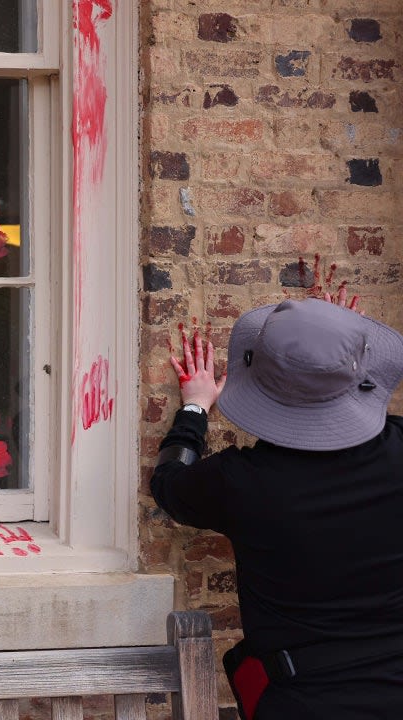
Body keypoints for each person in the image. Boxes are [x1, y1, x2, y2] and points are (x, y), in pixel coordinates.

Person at [152, 289, 403, 720]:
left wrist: (194, 408)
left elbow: (169, 484)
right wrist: (333, 349)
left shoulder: (241, 483)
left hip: (305, 702)